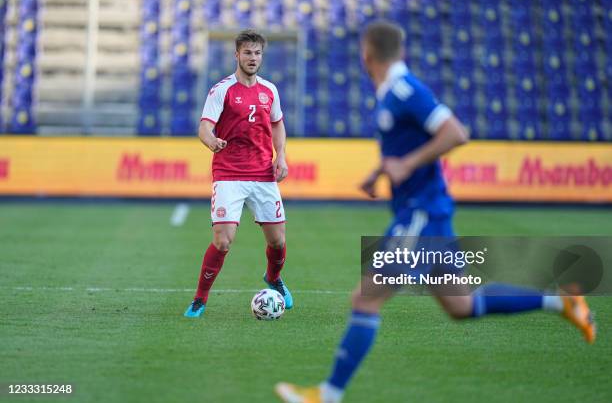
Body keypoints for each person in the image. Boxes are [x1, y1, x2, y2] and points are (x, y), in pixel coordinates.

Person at [275, 20, 595, 403]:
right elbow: (411, 141)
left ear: (367, 54)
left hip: (421, 214)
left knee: (365, 298)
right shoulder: (391, 92)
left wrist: (407, 164)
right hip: (429, 214)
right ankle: (560, 300)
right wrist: (381, 171)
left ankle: (327, 394)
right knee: (461, 305)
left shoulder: (406, 91)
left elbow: (456, 132)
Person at [184, 30, 292, 318]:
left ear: (262, 56)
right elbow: (204, 127)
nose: (252, 58)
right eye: (247, 53)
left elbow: (277, 124)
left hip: (262, 174)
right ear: (237, 55)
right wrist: (213, 142)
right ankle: (199, 299)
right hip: (229, 173)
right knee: (222, 240)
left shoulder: (270, 90)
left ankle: (273, 278)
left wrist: (280, 155)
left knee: (278, 241)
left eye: (257, 53)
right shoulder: (222, 90)